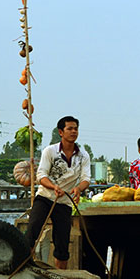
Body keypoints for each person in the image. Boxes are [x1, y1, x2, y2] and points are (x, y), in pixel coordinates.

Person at [26, 115, 91, 269]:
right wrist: (53, 187)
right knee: (32, 231)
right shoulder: (50, 151)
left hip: (64, 202)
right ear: (61, 132)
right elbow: (41, 176)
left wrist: (78, 188)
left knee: (62, 244)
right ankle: (23, 266)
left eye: (76, 128)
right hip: (45, 197)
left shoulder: (83, 155)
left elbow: (86, 178)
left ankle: (61, 276)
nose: (74, 131)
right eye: (70, 129)